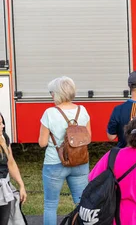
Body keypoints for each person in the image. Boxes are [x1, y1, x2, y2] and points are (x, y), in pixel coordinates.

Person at [38, 76, 91, 225]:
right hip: (79, 162)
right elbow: (89, 137)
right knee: (82, 203)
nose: (51, 96)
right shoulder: (82, 110)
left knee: (50, 205)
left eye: (51, 92)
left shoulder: (49, 113)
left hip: (54, 163)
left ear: (57, 93)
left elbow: (42, 143)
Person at [0, 113, 27, 224]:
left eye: (2, 123)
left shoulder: (4, 137)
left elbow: (10, 163)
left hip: (3, 187)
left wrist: (21, 185)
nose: (2, 126)